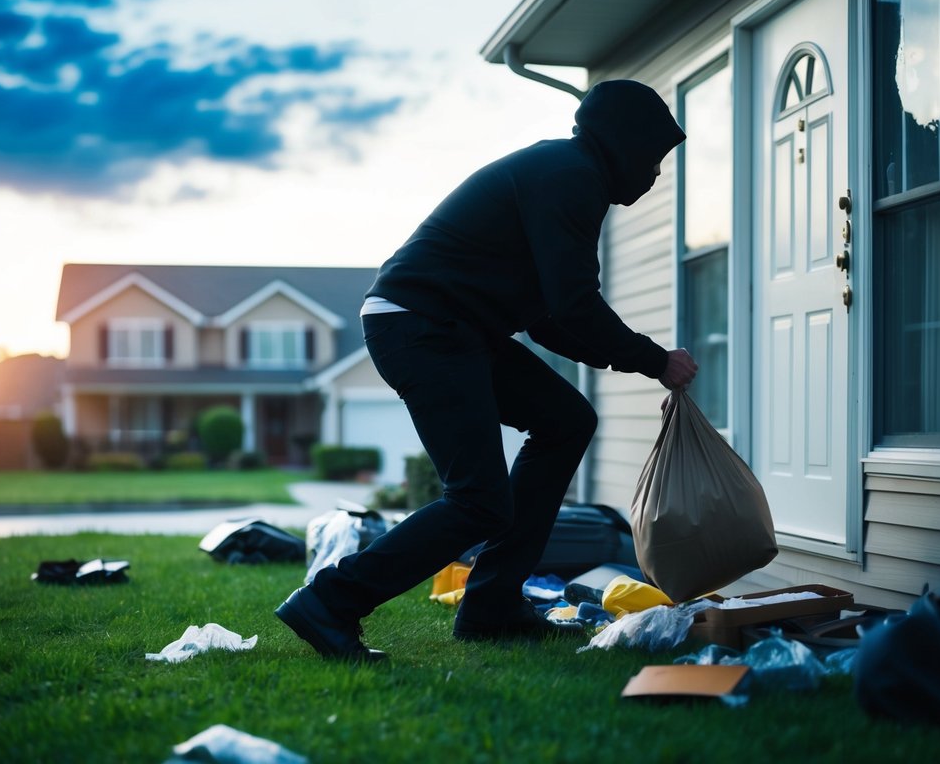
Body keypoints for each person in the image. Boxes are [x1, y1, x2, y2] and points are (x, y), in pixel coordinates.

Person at [276, 79, 698, 662]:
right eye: (652, 156)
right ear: (622, 143)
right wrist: (654, 360)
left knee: (565, 419)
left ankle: (492, 605)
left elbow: (550, 316)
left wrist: (634, 359)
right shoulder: (570, 175)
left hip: (455, 327)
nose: (654, 174)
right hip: (422, 325)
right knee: (477, 499)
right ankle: (329, 602)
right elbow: (574, 304)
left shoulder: (573, 175)